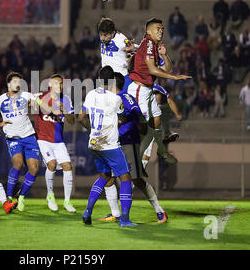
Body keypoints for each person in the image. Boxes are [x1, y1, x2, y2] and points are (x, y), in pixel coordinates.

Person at [99, 72, 168, 223]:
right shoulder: (110, 99)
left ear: (112, 84)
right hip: (113, 144)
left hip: (128, 143)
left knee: (136, 179)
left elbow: (139, 117)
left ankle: (160, 211)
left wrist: (132, 129)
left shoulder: (125, 98)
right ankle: (115, 213)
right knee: (108, 177)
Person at [0, 72, 59, 211]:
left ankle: (21, 197)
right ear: (8, 84)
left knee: (33, 169)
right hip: (13, 138)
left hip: (29, 136)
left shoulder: (27, 95)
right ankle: (9, 198)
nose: (18, 84)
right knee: (18, 163)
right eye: (15, 81)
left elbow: (44, 106)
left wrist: (44, 106)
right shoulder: (0, 100)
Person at [78, 66, 137, 227]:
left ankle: (87, 212)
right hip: (110, 144)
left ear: (98, 79)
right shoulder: (115, 98)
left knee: (104, 176)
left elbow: (81, 118)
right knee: (125, 178)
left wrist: (93, 130)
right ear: (112, 81)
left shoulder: (91, 94)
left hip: (94, 143)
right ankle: (124, 219)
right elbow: (123, 118)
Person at [128, 18, 191, 166]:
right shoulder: (148, 44)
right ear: (148, 31)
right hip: (139, 89)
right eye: (157, 28)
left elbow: (167, 68)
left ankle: (161, 150)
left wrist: (164, 55)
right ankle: (131, 155)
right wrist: (174, 77)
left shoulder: (154, 47)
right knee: (142, 127)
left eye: (162, 29)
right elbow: (152, 69)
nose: (161, 31)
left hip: (147, 90)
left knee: (157, 117)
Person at [34, 74, 76, 212]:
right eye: (56, 83)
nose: (60, 86)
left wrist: (64, 110)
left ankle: (67, 201)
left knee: (68, 166)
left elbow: (71, 121)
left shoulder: (66, 99)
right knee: (51, 164)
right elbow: (29, 102)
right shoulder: (41, 96)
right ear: (50, 85)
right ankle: (50, 195)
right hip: (43, 138)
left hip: (58, 140)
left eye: (61, 84)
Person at [97, 17, 135, 93]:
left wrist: (133, 48)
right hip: (106, 78)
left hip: (120, 78)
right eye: (101, 34)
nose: (102, 38)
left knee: (121, 103)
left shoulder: (121, 40)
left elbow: (133, 48)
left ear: (112, 33)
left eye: (105, 35)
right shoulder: (104, 38)